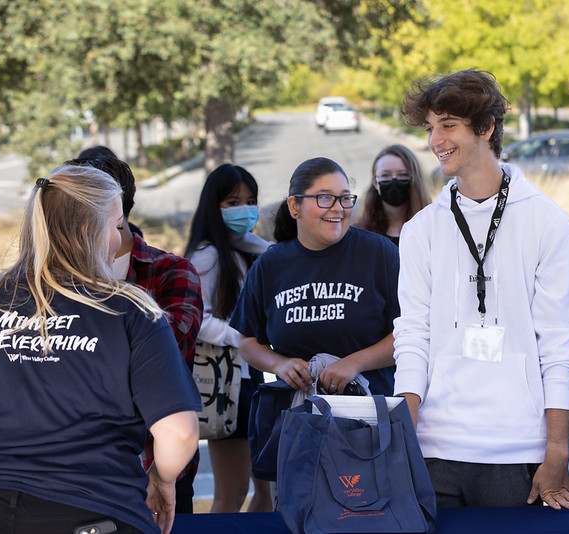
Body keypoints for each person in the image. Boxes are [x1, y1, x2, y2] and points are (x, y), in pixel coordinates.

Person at [395, 68, 569, 510]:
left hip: (517, 447)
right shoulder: (421, 229)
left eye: (448, 125)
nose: (435, 140)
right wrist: (404, 437)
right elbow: (412, 336)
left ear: (486, 127)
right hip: (435, 447)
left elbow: (556, 343)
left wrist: (557, 448)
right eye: (430, 128)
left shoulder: (546, 220)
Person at [0, 165, 200, 534]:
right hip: (94, 509)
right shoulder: (132, 310)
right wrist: (163, 481)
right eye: (117, 226)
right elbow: (179, 433)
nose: (121, 239)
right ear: (89, 230)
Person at [65, 154, 204, 515]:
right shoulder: (54, 280)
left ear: (116, 209)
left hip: (160, 469)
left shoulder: (172, 271)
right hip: (76, 474)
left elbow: (164, 354)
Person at [230, 157, 399, 398]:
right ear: (294, 206)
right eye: (325, 197)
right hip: (296, 420)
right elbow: (247, 340)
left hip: (371, 419)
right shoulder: (270, 265)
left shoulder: (379, 254)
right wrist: (279, 364)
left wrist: (355, 362)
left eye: (344, 197)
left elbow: (410, 332)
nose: (338, 207)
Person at [184, 164, 273, 513]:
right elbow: (197, 319)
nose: (245, 210)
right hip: (228, 388)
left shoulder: (248, 250)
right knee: (231, 494)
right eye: (233, 202)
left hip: (254, 383)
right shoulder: (205, 256)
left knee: (267, 496)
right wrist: (242, 338)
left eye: (250, 201)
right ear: (213, 205)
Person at [358, 144, 431, 245]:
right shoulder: (361, 236)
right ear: (375, 182)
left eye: (402, 174)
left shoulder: (433, 230)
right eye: (385, 175)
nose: (394, 180)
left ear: (414, 179)